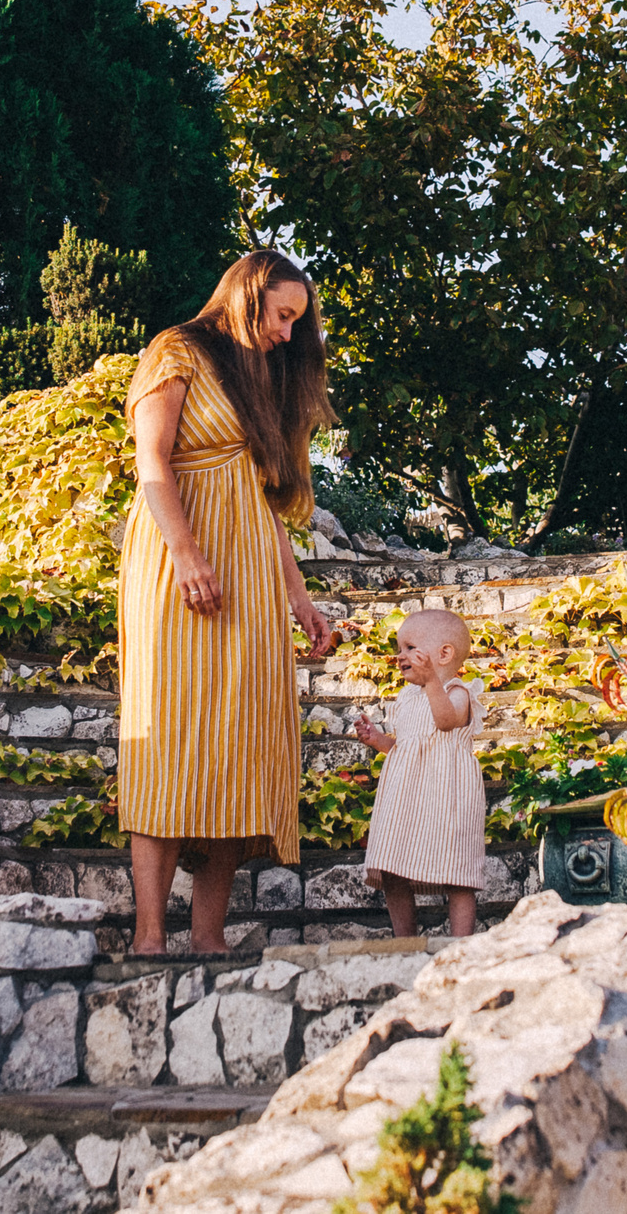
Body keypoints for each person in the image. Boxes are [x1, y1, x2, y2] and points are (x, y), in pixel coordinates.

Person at [118, 251, 338, 955]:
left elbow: (264, 505)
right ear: (249, 293)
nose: (285, 332)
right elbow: (152, 460)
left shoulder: (257, 378)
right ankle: (150, 935)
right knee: (168, 740)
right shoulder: (175, 350)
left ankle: (207, 939)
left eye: (295, 322)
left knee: (239, 746)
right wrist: (185, 552)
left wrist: (300, 597)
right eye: (282, 314)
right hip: (176, 565)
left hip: (246, 579)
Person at [354, 608, 487, 938]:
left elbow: (445, 722)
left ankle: (461, 943)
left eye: (410, 648)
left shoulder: (459, 692)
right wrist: (379, 740)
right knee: (392, 867)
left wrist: (431, 683)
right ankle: (405, 940)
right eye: (400, 648)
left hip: (448, 795)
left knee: (457, 872)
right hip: (407, 796)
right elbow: (409, 746)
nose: (401, 656)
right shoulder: (406, 696)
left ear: (443, 654)